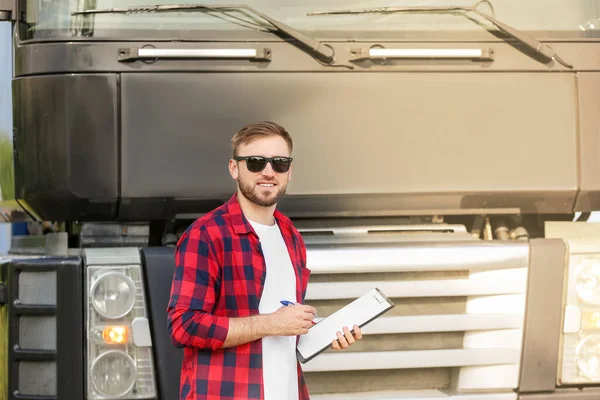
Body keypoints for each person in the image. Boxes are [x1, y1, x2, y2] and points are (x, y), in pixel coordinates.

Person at [167, 121, 363, 400]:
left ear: (289, 171)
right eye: (256, 162)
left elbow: (283, 327)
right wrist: (272, 323)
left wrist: (323, 334)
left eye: (279, 163)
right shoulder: (207, 235)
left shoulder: (291, 236)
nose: (268, 172)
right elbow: (183, 326)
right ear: (234, 168)